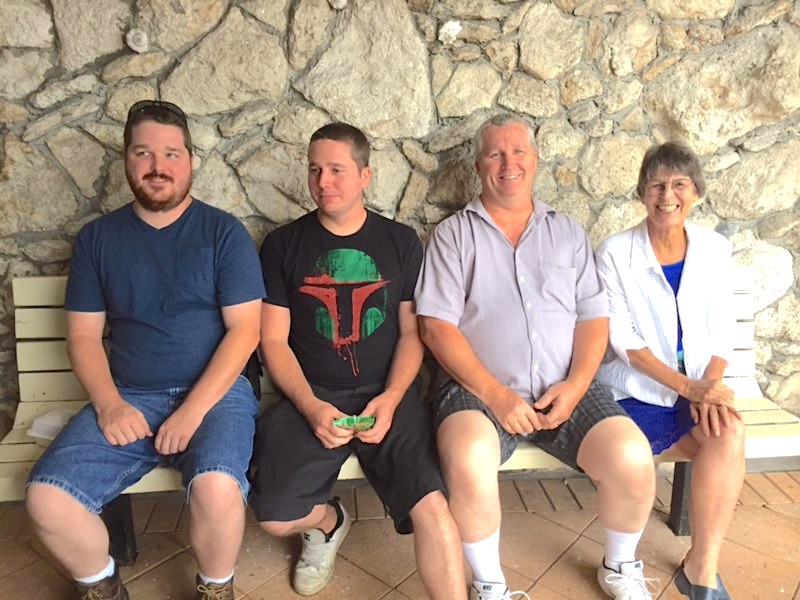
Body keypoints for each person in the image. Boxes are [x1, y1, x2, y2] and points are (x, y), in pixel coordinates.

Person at [25, 100, 265, 600]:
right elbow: (85, 337)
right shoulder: (98, 239)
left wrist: (193, 411)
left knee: (218, 488)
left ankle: (216, 589)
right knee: (47, 500)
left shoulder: (223, 233)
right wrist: (110, 403)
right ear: (126, 162)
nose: (159, 166)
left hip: (217, 396)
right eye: (144, 153)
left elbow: (245, 332)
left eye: (172, 154)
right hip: (130, 394)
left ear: (191, 162)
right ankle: (103, 585)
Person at [415, 113, 659, 600]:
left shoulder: (566, 232)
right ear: (480, 165)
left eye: (518, 152)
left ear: (535, 159)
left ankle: (619, 565)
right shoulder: (454, 235)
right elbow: (435, 327)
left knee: (632, 458)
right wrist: (497, 396)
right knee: (468, 458)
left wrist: (575, 385)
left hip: (564, 385)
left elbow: (593, 317)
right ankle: (490, 585)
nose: (509, 164)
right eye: (496, 154)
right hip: (476, 393)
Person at [249, 122, 465, 599]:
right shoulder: (283, 247)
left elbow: (412, 333)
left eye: (337, 170)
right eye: (315, 170)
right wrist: (308, 405)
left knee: (433, 507)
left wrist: (391, 397)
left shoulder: (400, 243)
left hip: (387, 395)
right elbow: (275, 342)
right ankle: (329, 522)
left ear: (365, 176)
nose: (324, 182)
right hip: (312, 397)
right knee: (272, 516)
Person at [595, 142, 744, 600]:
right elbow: (624, 342)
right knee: (634, 455)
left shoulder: (714, 249)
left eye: (679, 184)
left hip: (699, 388)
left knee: (729, 433)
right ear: (642, 193)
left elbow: (723, 329)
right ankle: (620, 562)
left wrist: (710, 387)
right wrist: (691, 388)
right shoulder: (616, 252)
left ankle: (701, 566)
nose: (668, 194)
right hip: (634, 392)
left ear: (695, 191)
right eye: (657, 184)